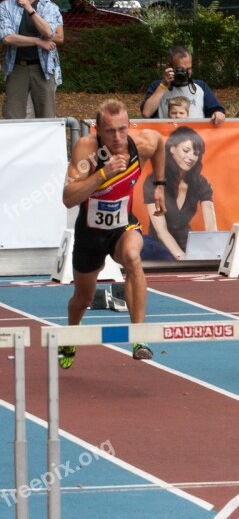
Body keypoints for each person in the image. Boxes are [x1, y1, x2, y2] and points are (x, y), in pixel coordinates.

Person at [60, 99, 166, 369]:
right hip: (90, 234)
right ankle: (71, 334)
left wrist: (160, 185)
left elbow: (160, 143)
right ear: (97, 130)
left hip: (122, 226)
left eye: (122, 129)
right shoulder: (87, 150)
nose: (118, 137)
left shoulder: (139, 145)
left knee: (132, 258)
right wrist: (102, 174)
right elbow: (68, 198)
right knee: (82, 298)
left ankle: (139, 337)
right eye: (110, 131)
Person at [141, 124, 216, 261]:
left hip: (187, 245)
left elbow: (211, 226)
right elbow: (161, 230)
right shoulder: (154, 181)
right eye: (186, 150)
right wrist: (182, 258)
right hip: (158, 247)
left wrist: (213, 253)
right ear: (172, 149)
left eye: (195, 153)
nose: (191, 157)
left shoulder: (201, 183)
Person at [0, 0, 63, 119]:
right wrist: (38, 41)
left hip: (43, 68)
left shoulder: (49, 6)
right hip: (16, 67)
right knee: (12, 116)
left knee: (46, 115)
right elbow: (7, 38)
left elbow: (48, 32)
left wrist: (30, 9)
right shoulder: (5, 7)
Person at [141, 46, 226, 125]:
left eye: (189, 69)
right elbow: (146, 113)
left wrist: (218, 113)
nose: (186, 73)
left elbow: (217, 111)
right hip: (167, 138)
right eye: (181, 69)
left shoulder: (200, 86)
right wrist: (164, 85)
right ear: (170, 67)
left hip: (195, 138)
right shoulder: (158, 86)